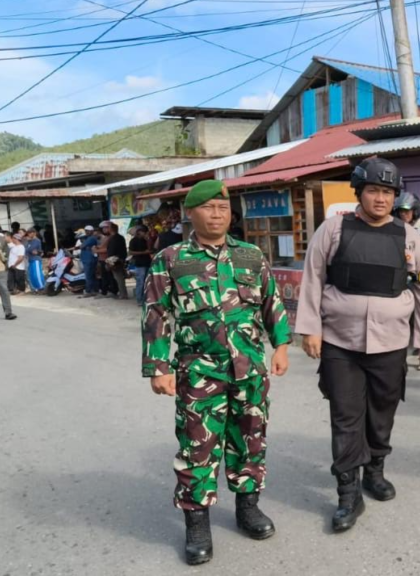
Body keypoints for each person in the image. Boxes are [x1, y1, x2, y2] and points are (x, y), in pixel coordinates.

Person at [142, 179, 291, 566]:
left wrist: (282, 345)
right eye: (208, 208)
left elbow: (271, 302)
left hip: (250, 370)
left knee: (250, 440)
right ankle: (197, 524)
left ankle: (248, 508)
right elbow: (156, 313)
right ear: (191, 214)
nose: (217, 214)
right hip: (198, 371)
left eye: (223, 208)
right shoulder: (172, 259)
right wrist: (158, 367)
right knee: (197, 447)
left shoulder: (250, 256)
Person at [295, 157, 420, 533]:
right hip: (340, 342)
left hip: (391, 343)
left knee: (382, 412)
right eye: (373, 190)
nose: (380, 198)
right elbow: (312, 278)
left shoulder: (410, 237)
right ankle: (347, 492)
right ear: (358, 192)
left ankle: (375, 470)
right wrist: (310, 329)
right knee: (345, 415)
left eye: (388, 192)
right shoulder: (334, 228)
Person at [129, 225, 153, 306]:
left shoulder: (145, 240)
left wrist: (148, 240)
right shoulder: (134, 241)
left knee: (147, 282)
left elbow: (150, 249)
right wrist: (143, 253)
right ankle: (139, 299)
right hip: (139, 264)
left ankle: (146, 299)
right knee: (140, 282)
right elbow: (131, 252)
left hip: (147, 263)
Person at [106, 222, 129, 300]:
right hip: (120, 258)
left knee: (118, 277)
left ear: (111, 229)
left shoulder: (114, 238)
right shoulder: (120, 237)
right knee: (119, 277)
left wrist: (109, 260)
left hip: (115, 259)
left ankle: (123, 294)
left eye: (108, 227)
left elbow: (112, 250)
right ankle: (123, 293)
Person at [0, 231, 16, 319]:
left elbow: (6, 253)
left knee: (4, 290)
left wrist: (5, 264)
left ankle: (8, 312)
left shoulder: (1, 238)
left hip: (0, 270)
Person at [78, 226, 100, 297]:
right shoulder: (89, 238)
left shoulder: (91, 238)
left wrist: (83, 246)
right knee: (92, 275)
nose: (86, 232)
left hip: (89, 259)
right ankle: (95, 290)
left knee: (88, 276)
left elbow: (82, 246)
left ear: (91, 231)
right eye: (86, 231)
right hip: (88, 259)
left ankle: (88, 291)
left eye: (88, 231)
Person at [24, 229, 44, 294]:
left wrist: (29, 249)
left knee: (37, 274)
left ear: (34, 233)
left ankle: (41, 287)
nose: (29, 234)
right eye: (29, 233)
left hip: (36, 259)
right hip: (30, 259)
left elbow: (30, 249)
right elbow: (27, 250)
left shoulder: (37, 240)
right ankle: (37, 288)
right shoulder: (29, 241)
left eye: (31, 233)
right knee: (32, 275)